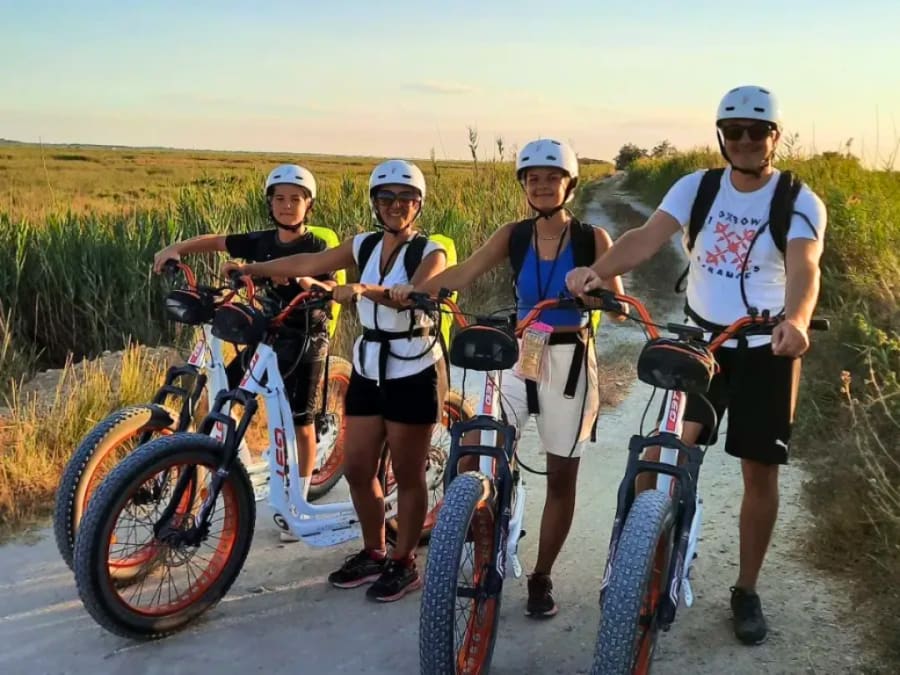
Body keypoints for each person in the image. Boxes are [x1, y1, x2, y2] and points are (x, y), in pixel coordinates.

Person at [566, 86, 827, 645]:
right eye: (734, 132)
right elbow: (645, 237)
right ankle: (634, 555)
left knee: (759, 472)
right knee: (665, 452)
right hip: (700, 346)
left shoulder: (798, 200)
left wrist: (797, 320)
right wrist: (598, 270)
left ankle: (746, 589)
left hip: (765, 350)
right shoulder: (698, 186)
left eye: (757, 132)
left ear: (774, 138)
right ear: (721, 137)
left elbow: (805, 266)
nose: (746, 142)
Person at [391, 138, 625, 618]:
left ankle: (541, 576)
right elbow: (464, 272)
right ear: (524, 186)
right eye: (532, 178)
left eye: (551, 177)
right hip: (524, 351)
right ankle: (481, 529)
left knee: (562, 475)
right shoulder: (513, 235)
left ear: (569, 185)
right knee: (483, 447)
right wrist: (414, 290)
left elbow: (618, 305)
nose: (541, 186)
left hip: (570, 360)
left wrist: (596, 292)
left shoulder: (592, 239)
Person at [222, 159, 447, 602]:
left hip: (414, 366)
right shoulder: (363, 245)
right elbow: (309, 260)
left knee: (407, 470)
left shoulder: (430, 252)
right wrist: (252, 271)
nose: (395, 206)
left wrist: (367, 291)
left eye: (405, 200)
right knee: (360, 469)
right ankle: (375, 550)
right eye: (386, 199)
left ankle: (405, 563)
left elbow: (421, 291)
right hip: (369, 366)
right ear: (375, 204)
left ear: (417, 205)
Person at [153, 164, 335, 540]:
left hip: (306, 335)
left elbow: (327, 280)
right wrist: (177, 248)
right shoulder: (262, 241)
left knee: (300, 420)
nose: (287, 206)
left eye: (295, 199)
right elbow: (218, 242)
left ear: (308, 205)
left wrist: (306, 280)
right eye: (280, 199)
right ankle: (231, 466)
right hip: (267, 332)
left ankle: (296, 502)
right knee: (230, 396)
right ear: (269, 203)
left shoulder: (316, 246)